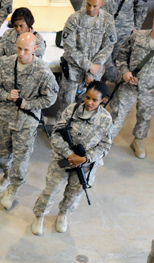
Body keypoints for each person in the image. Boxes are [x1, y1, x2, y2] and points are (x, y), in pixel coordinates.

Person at [31, 81, 112, 236]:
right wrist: (69, 154)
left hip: (85, 166)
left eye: (95, 100)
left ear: (102, 100)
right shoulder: (72, 110)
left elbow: (105, 146)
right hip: (62, 159)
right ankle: (39, 216)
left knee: (74, 193)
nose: (89, 102)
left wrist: (85, 159)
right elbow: (56, 134)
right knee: (51, 190)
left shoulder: (105, 119)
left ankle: (63, 214)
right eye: (87, 97)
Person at [0, 33, 58, 211]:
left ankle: (14, 187)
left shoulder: (43, 71)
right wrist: (6, 95)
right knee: (1, 153)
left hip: (25, 122)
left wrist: (28, 104)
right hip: (4, 118)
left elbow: (50, 98)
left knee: (21, 159)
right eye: (19, 48)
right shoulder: (6, 63)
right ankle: (7, 174)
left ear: (34, 49)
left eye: (26, 50)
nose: (21, 53)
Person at [56, 0, 116, 117]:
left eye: (95, 6)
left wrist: (91, 71)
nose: (90, 9)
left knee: (87, 108)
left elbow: (108, 47)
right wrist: (89, 66)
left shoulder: (108, 20)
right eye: (88, 4)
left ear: (102, 3)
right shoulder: (75, 18)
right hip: (72, 73)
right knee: (66, 107)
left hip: (93, 75)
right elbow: (69, 47)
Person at [108, 28, 154, 159]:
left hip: (150, 89)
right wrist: (124, 72)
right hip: (128, 85)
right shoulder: (137, 36)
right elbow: (122, 54)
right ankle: (106, 139)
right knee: (117, 112)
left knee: (145, 117)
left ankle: (137, 141)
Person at [98, 0, 147, 82]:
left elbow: (141, 5)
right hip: (101, 25)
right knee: (101, 58)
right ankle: (97, 85)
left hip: (124, 28)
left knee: (117, 60)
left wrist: (137, 26)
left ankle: (110, 84)